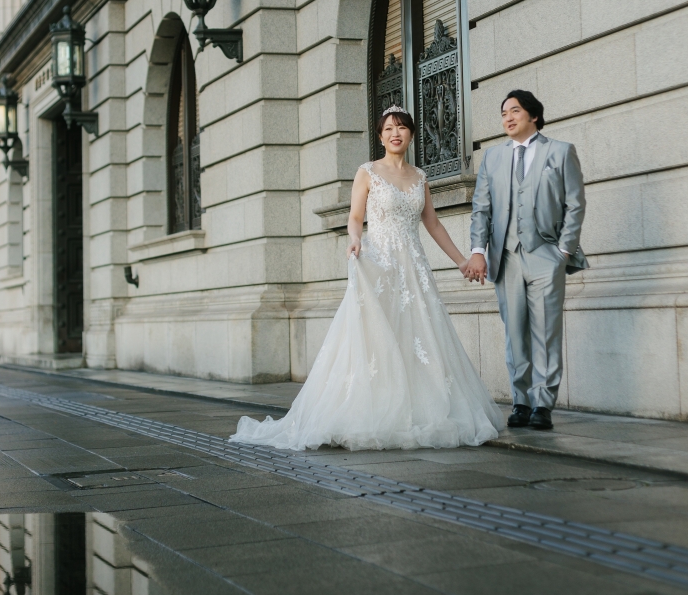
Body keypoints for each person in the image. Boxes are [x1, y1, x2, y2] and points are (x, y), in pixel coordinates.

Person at [231, 106, 504, 451]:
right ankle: (370, 410)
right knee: (377, 340)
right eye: (389, 128)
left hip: (413, 267)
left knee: (419, 337)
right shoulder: (367, 172)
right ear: (380, 136)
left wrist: (462, 261)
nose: (395, 133)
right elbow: (355, 217)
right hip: (379, 263)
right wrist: (354, 238)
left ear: (411, 134)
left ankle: (421, 409)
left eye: (402, 128)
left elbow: (432, 224)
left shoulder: (420, 177)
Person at [465, 90, 587, 431]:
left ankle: (542, 405)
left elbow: (575, 204)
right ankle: (520, 402)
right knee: (515, 334)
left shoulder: (560, 152)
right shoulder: (492, 158)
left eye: (514, 110)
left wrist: (563, 251)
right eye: (503, 112)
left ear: (533, 115)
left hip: (546, 256)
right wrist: (478, 250)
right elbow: (482, 209)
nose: (507, 117)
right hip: (506, 257)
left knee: (546, 333)